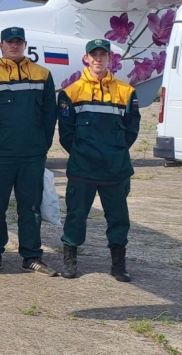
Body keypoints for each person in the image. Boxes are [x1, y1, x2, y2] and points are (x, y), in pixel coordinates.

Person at [0, 27, 58, 276]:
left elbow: (49, 114)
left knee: (30, 207)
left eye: (18, 42)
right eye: (9, 42)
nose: (14, 46)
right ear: (1, 45)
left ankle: (31, 256)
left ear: (25, 44)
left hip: (31, 154)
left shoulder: (42, 74)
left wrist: (43, 146)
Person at [57, 39, 140, 281]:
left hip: (115, 169)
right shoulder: (70, 93)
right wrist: (84, 153)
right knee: (76, 216)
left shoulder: (126, 92)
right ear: (86, 58)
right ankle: (70, 261)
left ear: (109, 58)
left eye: (103, 55)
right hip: (83, 169)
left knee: (119, 218)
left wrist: (114, 152)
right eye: (94, 55)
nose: (98, 59)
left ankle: (118, 265)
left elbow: (131, 131)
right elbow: (66, 134)